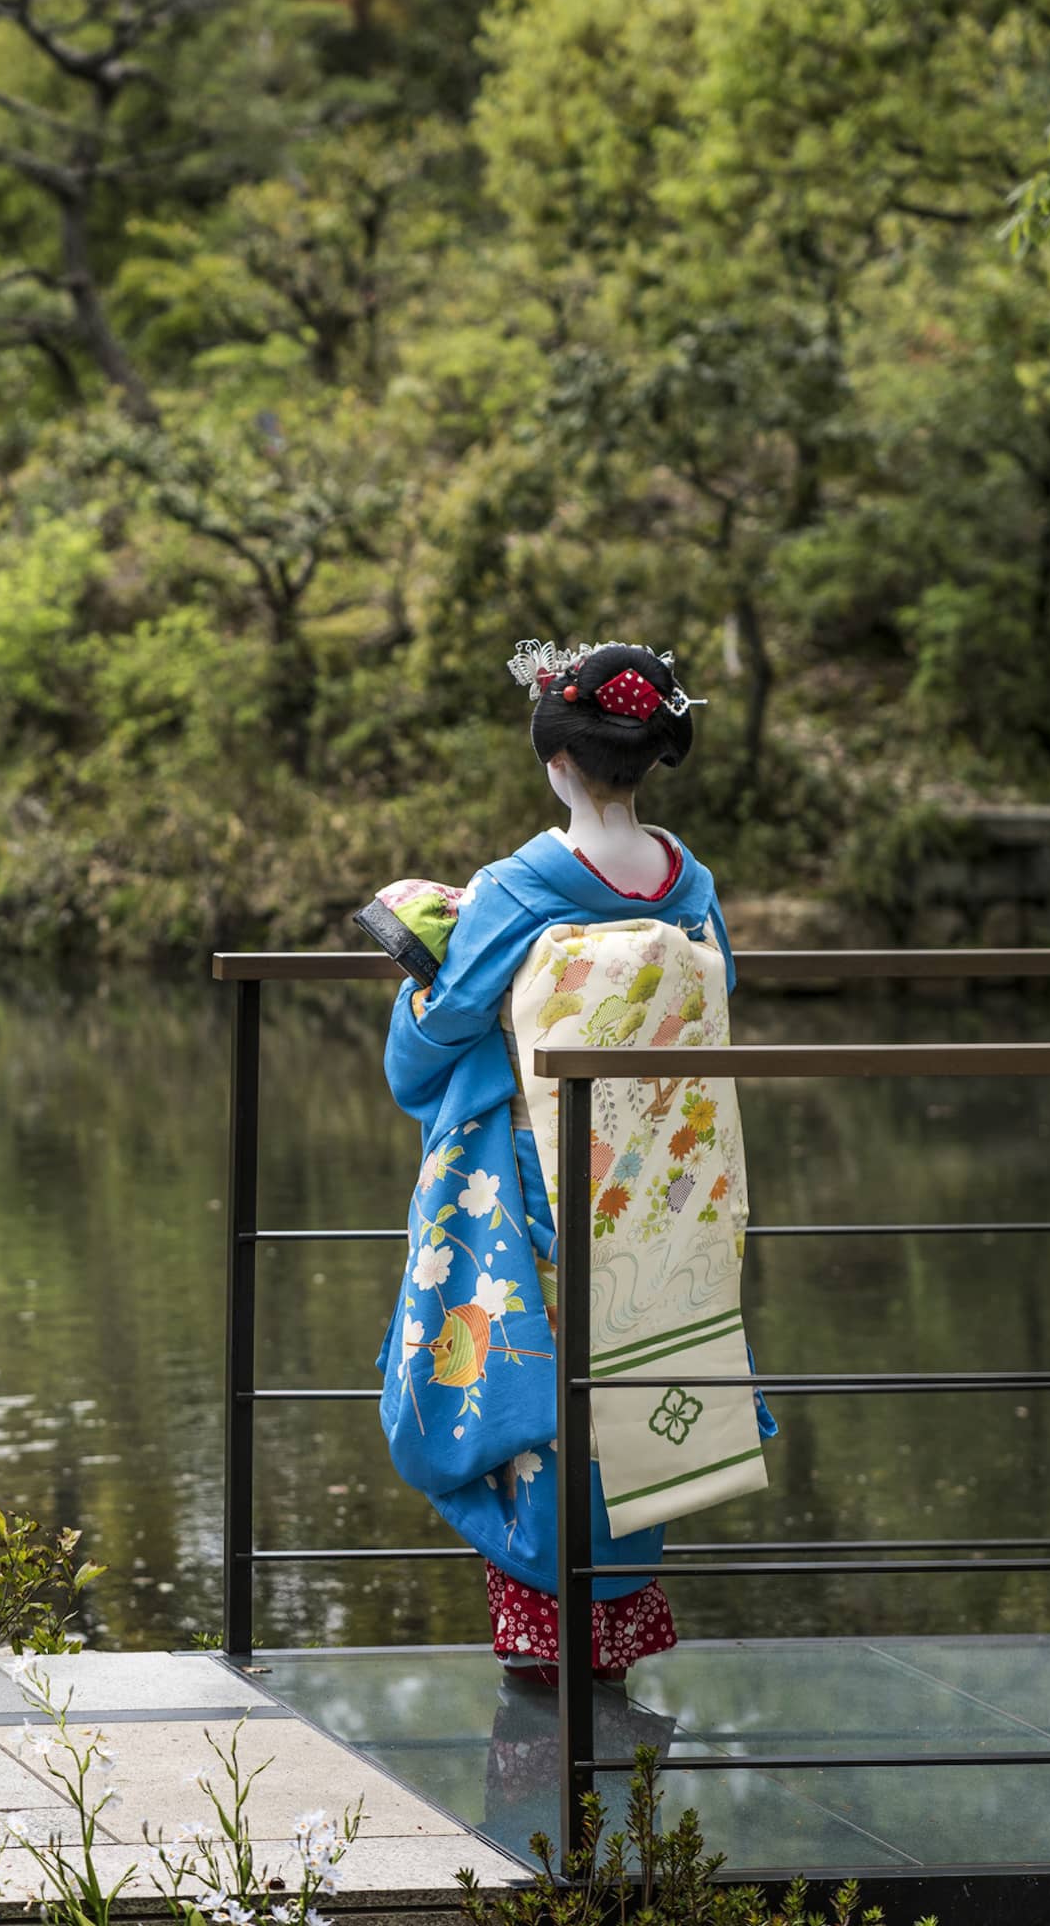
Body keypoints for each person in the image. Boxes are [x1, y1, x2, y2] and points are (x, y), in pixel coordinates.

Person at [366, 638, 775, 1684]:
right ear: (646, 762)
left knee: (540, 1405)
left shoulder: (522, 883)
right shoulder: (691, 884)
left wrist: (428, 964)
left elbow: (436, 1041)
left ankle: (542, 1655)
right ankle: (611, 1649)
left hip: (542, 1188)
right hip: (654, 1189)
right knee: (631, 1387)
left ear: (556, 763)